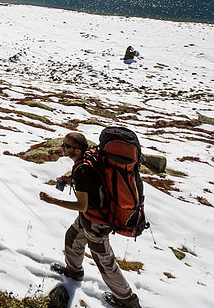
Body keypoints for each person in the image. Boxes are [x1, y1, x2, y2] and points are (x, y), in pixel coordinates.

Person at [39, 132, 142, 308]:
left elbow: (82, 205)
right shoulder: (89, 158)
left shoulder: (83, 169)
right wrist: (69, 181)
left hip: (96, 223)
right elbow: (91, 185)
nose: (62, 147)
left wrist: (52, 201)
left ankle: (128, 301)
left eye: (66, 145)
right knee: (73, 237)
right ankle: (74, 272)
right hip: (90, 217)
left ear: (77, 150)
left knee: (105, 262)